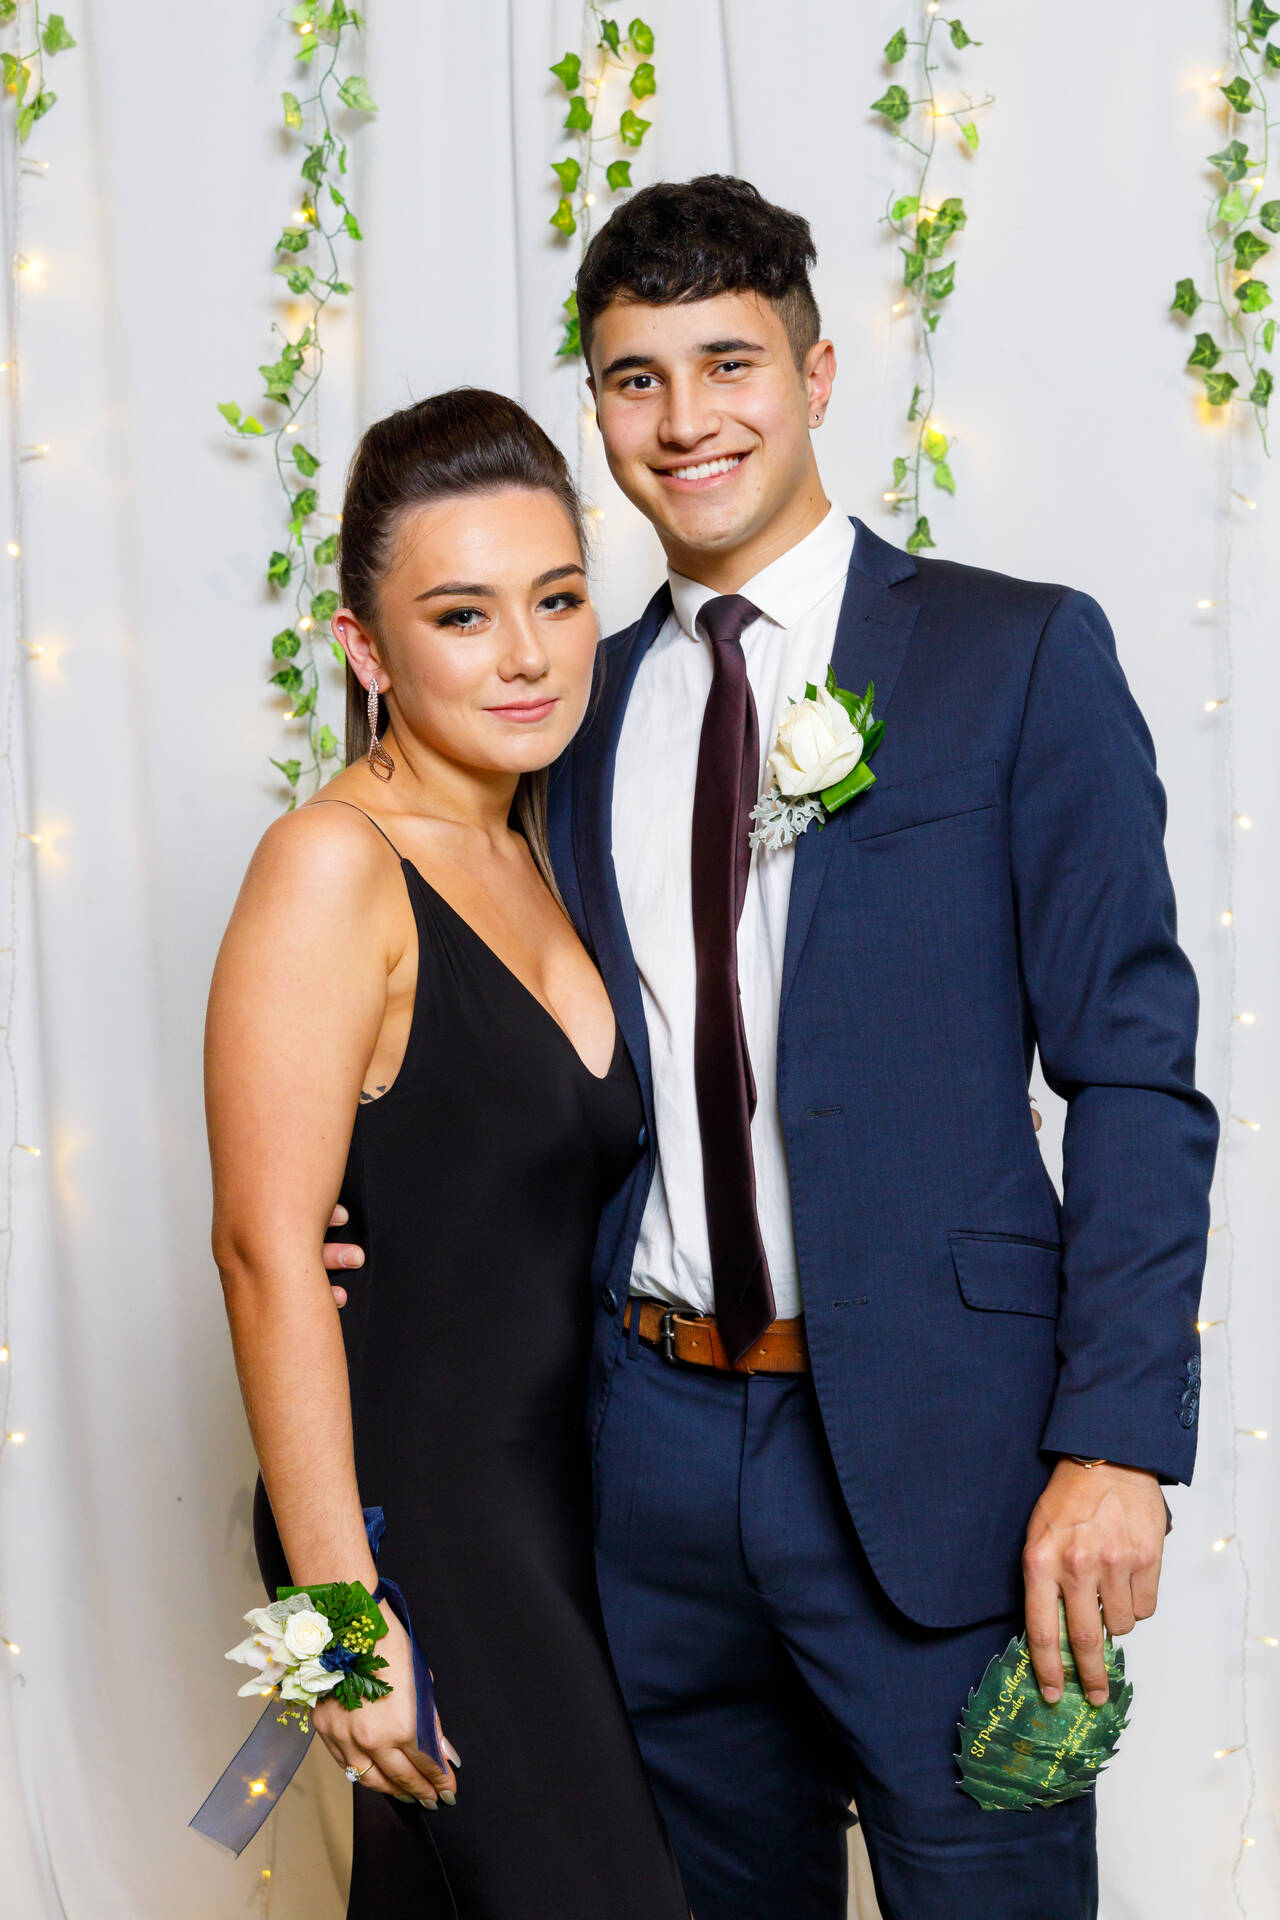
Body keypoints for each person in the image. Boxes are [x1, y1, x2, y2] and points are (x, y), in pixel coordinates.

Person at [331, 176, 1218, 1919]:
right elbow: (473, 1017)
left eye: (727, 363)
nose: (685, 420)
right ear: (601, 411)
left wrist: (1117, 1443)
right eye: (635, 378)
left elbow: (1134, 1070)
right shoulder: (565, 715)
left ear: (816, 375)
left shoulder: (1014, 656)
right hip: (645, 1454)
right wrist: (359, 1224)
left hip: (950, 1459)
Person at [205, 389, 689, 1919]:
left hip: (574, 1508)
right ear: (367, 650)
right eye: (463, 615)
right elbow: (264, 1251)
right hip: (419, 1521)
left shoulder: (542, 844)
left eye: (558, 599)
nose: (528, 654)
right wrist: (340, 1630)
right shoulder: (328, 865)